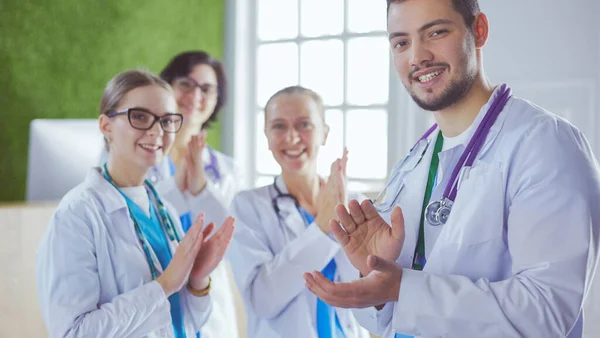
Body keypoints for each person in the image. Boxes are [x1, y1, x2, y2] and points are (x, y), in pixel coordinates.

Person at [302, 1, 600, 337]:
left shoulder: (544, 145)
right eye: (401, 42)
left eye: (436, 32)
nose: (417, 57)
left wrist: (403, 288)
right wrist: (376, 276)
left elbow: (547, 311)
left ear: (479, 30)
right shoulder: (415, 160)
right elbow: (387, 317)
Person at [36, 69, 235, 338]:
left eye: (167, 120)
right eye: (140, 117)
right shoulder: (77, 214)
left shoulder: (165, 209)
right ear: (106, 126)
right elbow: (73, 333)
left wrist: (198, 279)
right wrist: (163, 286)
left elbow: (185, 323)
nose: (157, 131)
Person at [106, 51, 243, 338]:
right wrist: (177, 187)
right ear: (166, 86)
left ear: (218, 99)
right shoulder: (131, 153)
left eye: (207, 89)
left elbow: (233, 242)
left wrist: (201, 189)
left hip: (210, 307)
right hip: (144, 296)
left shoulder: (227, 171)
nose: (196, 95)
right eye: (186, 83)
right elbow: (125, 221)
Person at [228, 86, 370, 338]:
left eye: (304, 125)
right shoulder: (248, 206)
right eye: (279, 126)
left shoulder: (354, 203)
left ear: (324, 133)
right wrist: (322, 228)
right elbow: (261, 300)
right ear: (267, 136)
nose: (292, 138)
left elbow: (369, 294)